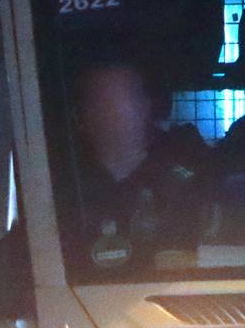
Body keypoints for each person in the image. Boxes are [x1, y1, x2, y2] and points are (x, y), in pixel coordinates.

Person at [70, 62, 207, 270]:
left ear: (145, 107)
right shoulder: (64, 189)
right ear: (83, 114)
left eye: (123, 98)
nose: (113, 110)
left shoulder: (183, 187)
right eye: (101, 99)